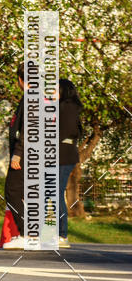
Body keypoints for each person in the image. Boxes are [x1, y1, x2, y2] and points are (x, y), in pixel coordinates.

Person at [2, 62, 26, 249]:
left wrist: (17, 154)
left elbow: (30, 129)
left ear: (20, 80)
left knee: (12, 191)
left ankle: (27, 233)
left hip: (26, 154)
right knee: (27, 192)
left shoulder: (30, 100)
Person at [57, 78, 83, 248]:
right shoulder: (67, 107)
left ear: (65, 90)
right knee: (54, 193)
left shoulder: (67, 107)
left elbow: (64, 131)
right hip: (63, 154)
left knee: (56, 193)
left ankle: (62, 234)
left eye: (56, 89)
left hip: (63, 155)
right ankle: (56, 232)